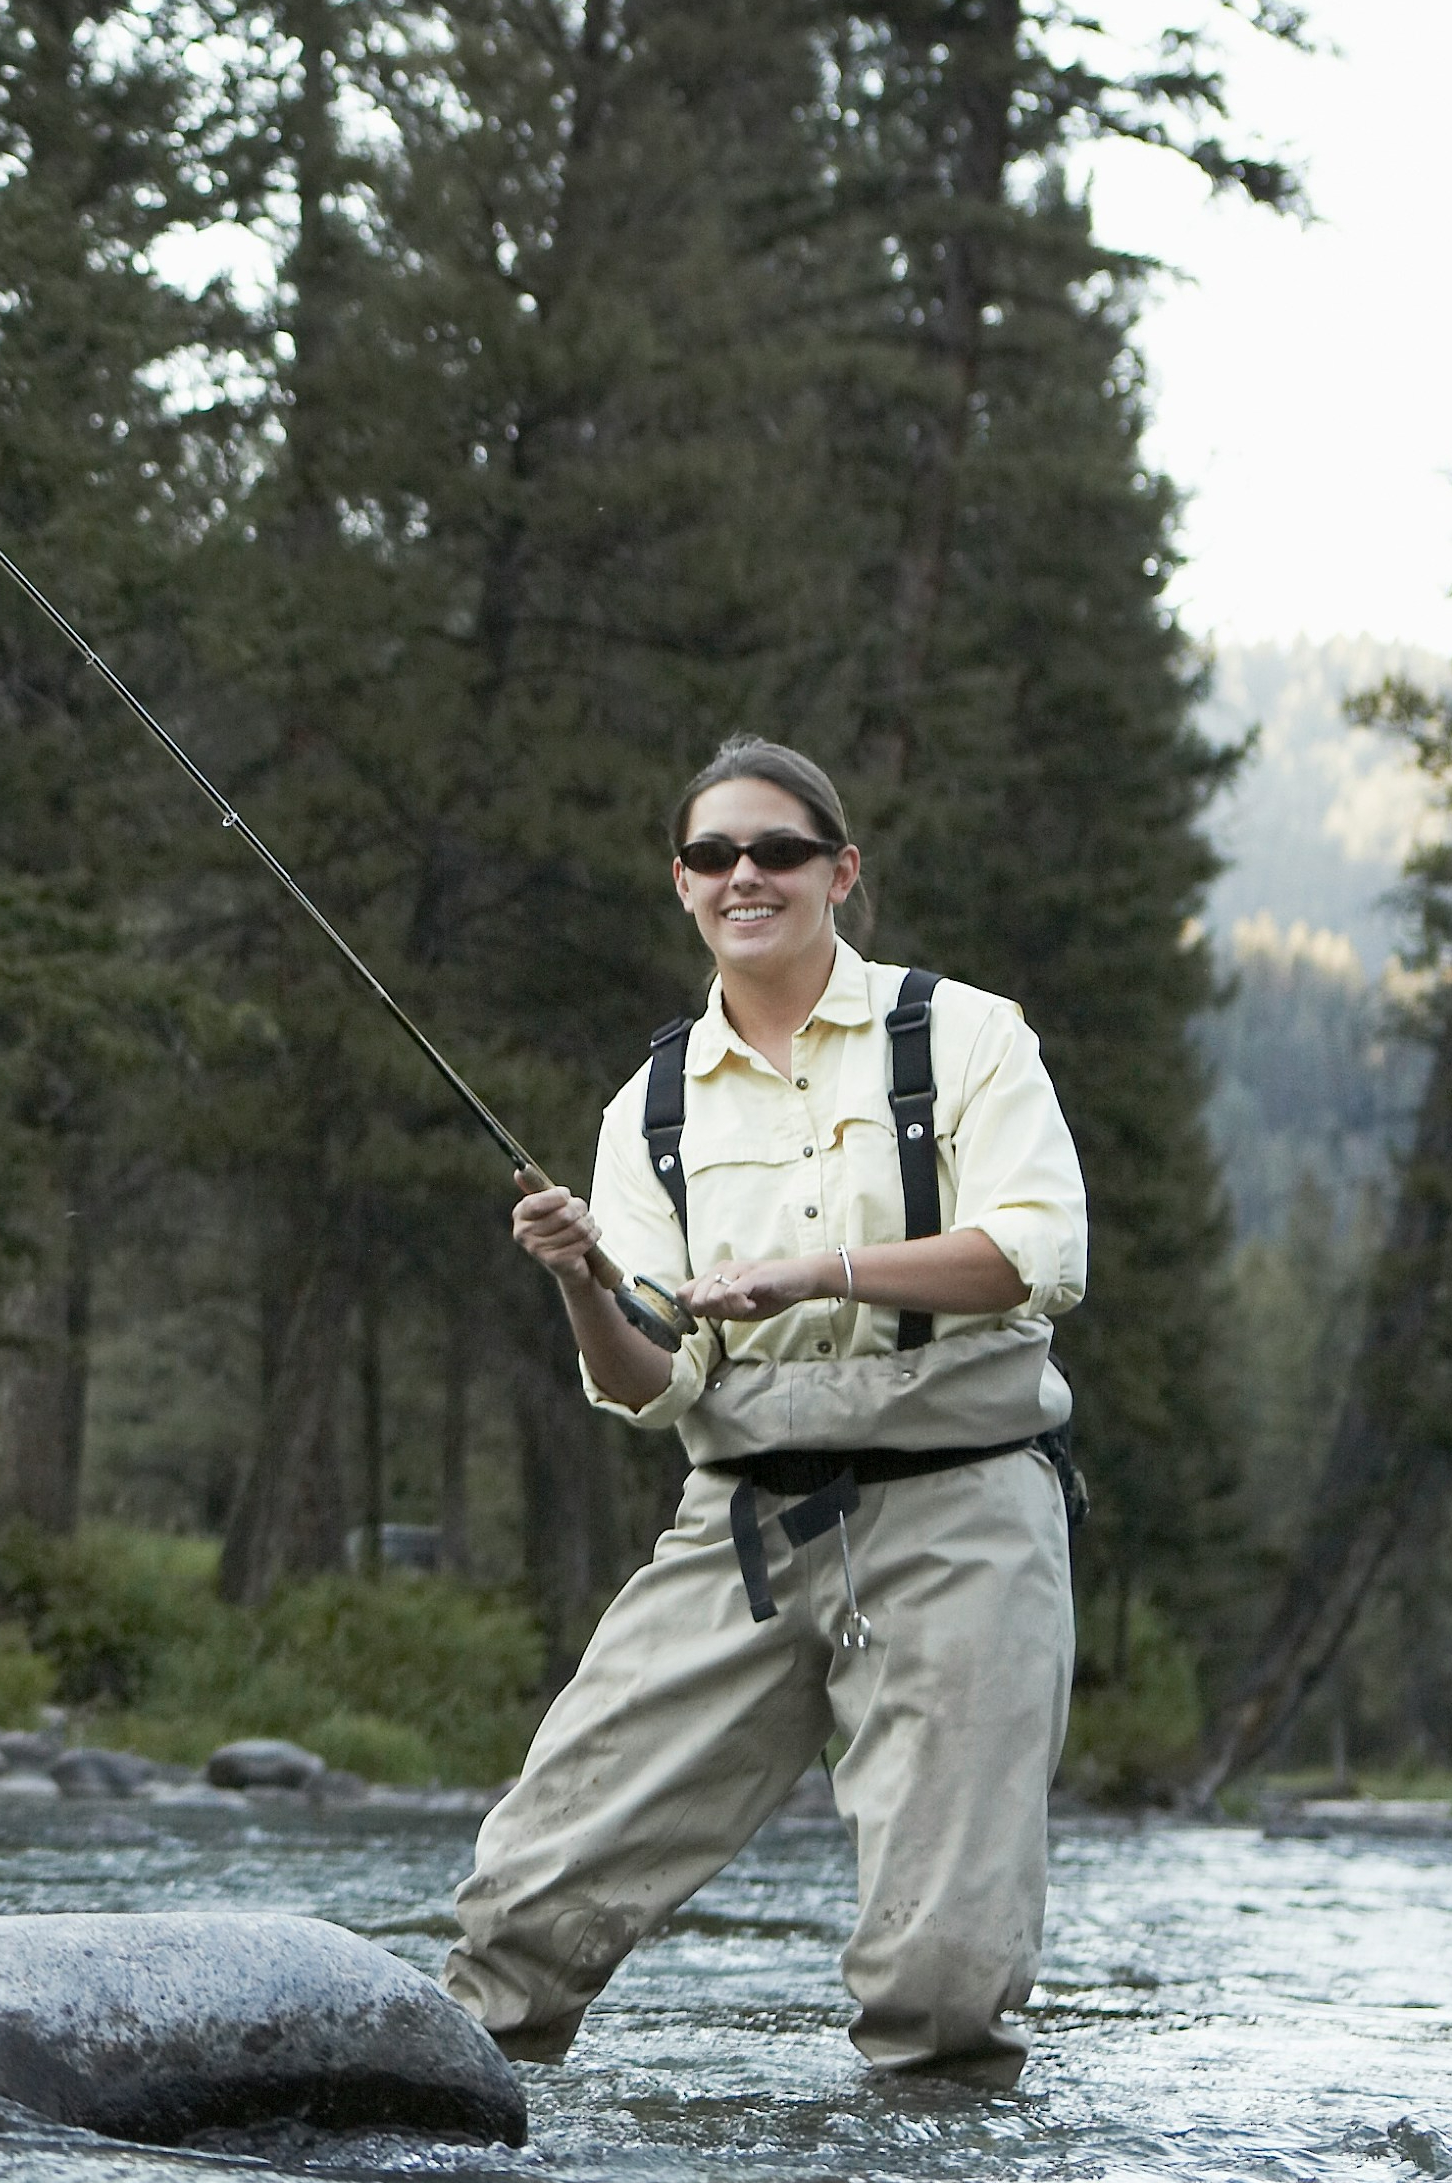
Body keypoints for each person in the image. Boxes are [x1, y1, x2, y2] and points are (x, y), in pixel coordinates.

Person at [442, 736, 1088, 2076]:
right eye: (713, 855)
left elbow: (1041, 1254)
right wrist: (580, 1287)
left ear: (840, 872)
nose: (748, 874)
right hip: (740, 1521)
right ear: (682, 885)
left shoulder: (963, 1035)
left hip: (963, 1509)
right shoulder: (650, 1106)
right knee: (527, 1902)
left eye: (779, 850)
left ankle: (933, 2154)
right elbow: (650, 1377)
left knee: (943, 1973)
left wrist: (819, 1270)